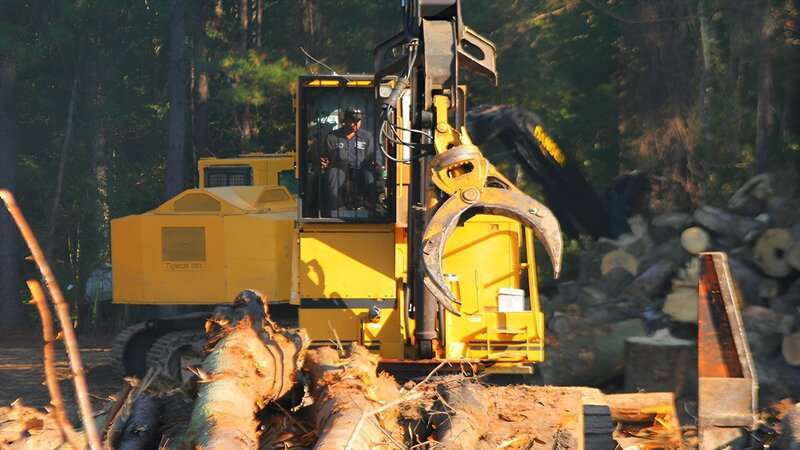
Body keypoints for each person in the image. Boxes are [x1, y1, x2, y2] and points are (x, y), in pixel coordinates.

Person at [320, 106, 383, 216]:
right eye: (353, 121)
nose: (356, 124)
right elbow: (324, 157)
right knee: (333, 174)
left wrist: (376, 163)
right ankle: (336, 209)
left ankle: (371, 208)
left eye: (358, 121)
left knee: (370, 176)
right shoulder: (332, 137)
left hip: (360, 170)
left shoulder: (367, 137)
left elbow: (375, 155)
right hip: (340, 169)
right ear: (345, 120)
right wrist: (323, 162)